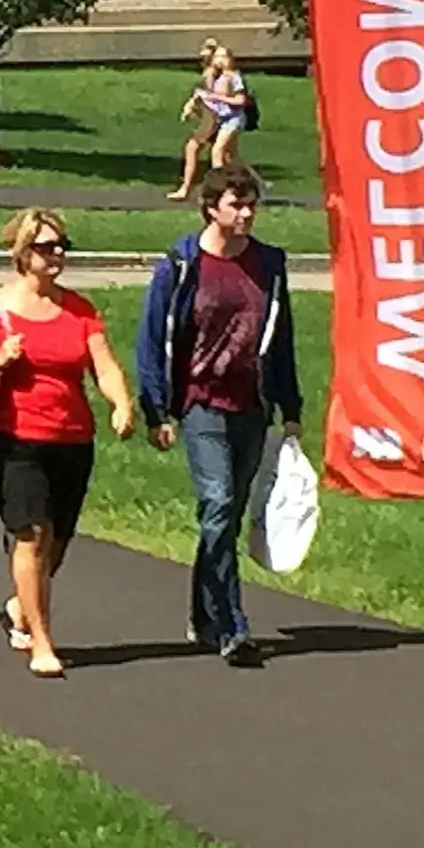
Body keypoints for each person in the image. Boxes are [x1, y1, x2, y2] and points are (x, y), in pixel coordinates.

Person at [0, 209, 138, 679]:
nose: (57, 255)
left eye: (62, 246)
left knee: (58, 539)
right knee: (31, 533)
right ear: (22, 253)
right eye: (46, 247)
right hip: (16, 439)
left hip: (73, 438)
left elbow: (105, 366)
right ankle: (42, 640)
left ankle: (22, 604)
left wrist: (121, 404)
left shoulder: (79, 309)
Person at [135, 165, 303, 669]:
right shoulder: (182, 265)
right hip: (200, 403)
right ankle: (232, 625)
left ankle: (203, 616)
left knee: (224, 519)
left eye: (253, 204)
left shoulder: (269, 265)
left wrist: (291, 408)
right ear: (212, 207)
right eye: (237, 204)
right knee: (219, 501)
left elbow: (282, 340)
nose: (247, 213)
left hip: (250, 405)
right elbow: (152, 338)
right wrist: (157, 408)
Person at [169, 41, 250, 200]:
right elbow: (201, 93)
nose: (220, 60)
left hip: (232, 119)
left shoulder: (234, 77)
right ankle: (255, 186)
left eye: (224, 57)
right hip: (221, 119)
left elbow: (241, 100)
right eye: (218, 56)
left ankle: (219, 191)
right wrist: (191, 105)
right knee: (231, 157)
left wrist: (219, 97)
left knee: (217, 152)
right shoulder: (214, 76)